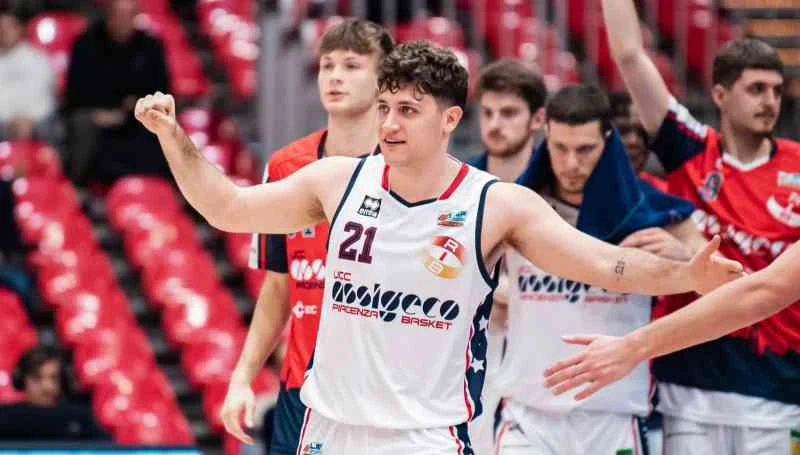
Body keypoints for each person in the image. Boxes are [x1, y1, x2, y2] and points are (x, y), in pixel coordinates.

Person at [134, 41, 741, 453]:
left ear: (449, 120)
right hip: (329, 429)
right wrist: (173, 136)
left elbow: (606, 264)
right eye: (385, 108)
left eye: (408, 111)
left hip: (426, 436)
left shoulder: (496, 204)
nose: (389, 125)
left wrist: (688, 274)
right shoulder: (338, 181)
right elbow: (228, 208)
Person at [600, 1, 800, 453]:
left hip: (778, 395)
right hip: (689, 394)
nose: (770, 101)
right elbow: (630, 55)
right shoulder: (689, 149)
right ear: (720, 95)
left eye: (776, 90)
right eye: (756, 89)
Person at [493, 84, 698, 455]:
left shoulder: (654, 210)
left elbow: (723, 283)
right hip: (527, 414)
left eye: (585, 149)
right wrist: (500, 293)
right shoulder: (514, 208)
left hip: (614, 415)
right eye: (560, 148)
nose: (571, 163)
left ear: (608, 140)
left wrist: (685, 257)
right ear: (545, 136)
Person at [219, 18, 393, 453]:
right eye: (327, 65)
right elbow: (279, 284)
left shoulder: (406, 169)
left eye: (351, 65)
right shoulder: (286, 166)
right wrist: (242, 377)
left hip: (384, 390)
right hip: (303, 389)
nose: (335, 76)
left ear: (384, 80)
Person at [464, 58, 547, 454]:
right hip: (471, 351)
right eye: (488, 113)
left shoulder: (561, 186)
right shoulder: (459, 186)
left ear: (538, 119)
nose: (495, 124)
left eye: (509, 113)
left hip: (542, 352)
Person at [63, 0, 170, 184]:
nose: (123, 21)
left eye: (129, 15)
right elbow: (76, 92)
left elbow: (160, 90)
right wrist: (102, 112)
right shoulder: (86, 43)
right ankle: (79, 186)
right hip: (94, 112)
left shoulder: (150, 46)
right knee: (82, 124)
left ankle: (156, 187)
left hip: (135, 115)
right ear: (108, 15)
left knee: (160, 126)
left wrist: (132, 107)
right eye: (118, 15)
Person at [0, 346, 108, 440]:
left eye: (54, 378)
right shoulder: (5, 418)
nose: (46, 387)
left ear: (64, 380)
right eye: (36, 378)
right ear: (20, 380)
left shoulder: (81, 419)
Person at [0, 6, 56, 142]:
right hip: (4, 121)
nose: (3, 31)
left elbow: (44, 98)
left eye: (9, 27)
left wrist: (28, 118)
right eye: (0, 28)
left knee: (49, 128)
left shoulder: (37, 58)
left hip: (36, 120)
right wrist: (9, 119)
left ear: (20, 29)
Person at [608, 91, 667, 192]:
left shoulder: (664, 194)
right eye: (622, 131)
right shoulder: (580, 192)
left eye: (642, 132)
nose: (634, 141)